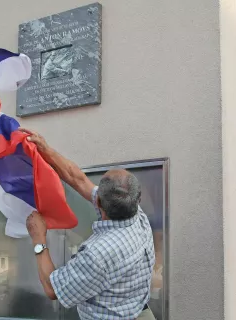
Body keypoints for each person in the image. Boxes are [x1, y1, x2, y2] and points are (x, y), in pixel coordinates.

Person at [20, 128, 157, 320]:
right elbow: (79, 180)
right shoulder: (136, 215)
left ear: (99, 203)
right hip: (141, 313)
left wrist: (39, 239)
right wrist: (46, 149)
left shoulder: (98, 254)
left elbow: (52, 289)